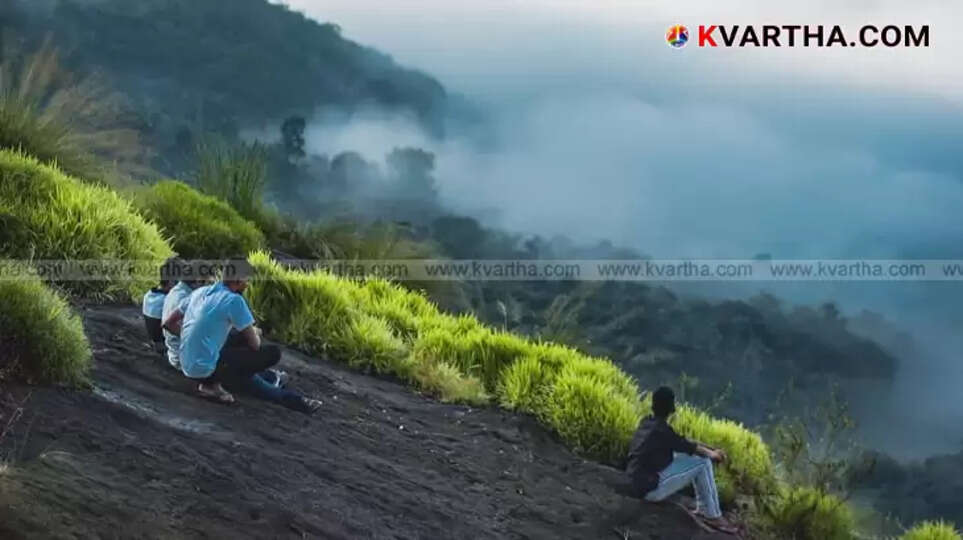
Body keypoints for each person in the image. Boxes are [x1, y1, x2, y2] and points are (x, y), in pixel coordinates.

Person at [162, 260, 321, 414]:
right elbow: (255, 345)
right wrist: (254, 332)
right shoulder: (234, 300)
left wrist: (193, 340)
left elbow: (169, 323)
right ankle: (289, 397)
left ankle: (278, 389)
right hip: (205, 369)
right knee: (272, 353)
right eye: (247, 280)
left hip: (186, 363)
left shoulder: (200, 292)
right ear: (238, 280)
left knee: (237, 352)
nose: (248, 284)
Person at [625, 386, 738, 535]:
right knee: (703, 462)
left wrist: (711, 448)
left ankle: (706, 509)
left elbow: (683, 442)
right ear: (670, 407)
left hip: (637, 481)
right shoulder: (662, 430)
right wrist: (713, 455)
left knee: (690, 456)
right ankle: (712, 515)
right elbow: (689, 446)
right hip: (649, 489)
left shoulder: (647, 422)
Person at [160, 259, 207, 370]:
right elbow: (168, 325)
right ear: (199, 280)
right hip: (184, 358)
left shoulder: (179, 290)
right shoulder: (184, 298)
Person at [142, 257, 179, 354]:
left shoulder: (149, 295)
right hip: (166, 347)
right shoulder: (169, 300)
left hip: (155, 340)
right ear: (172, 281)